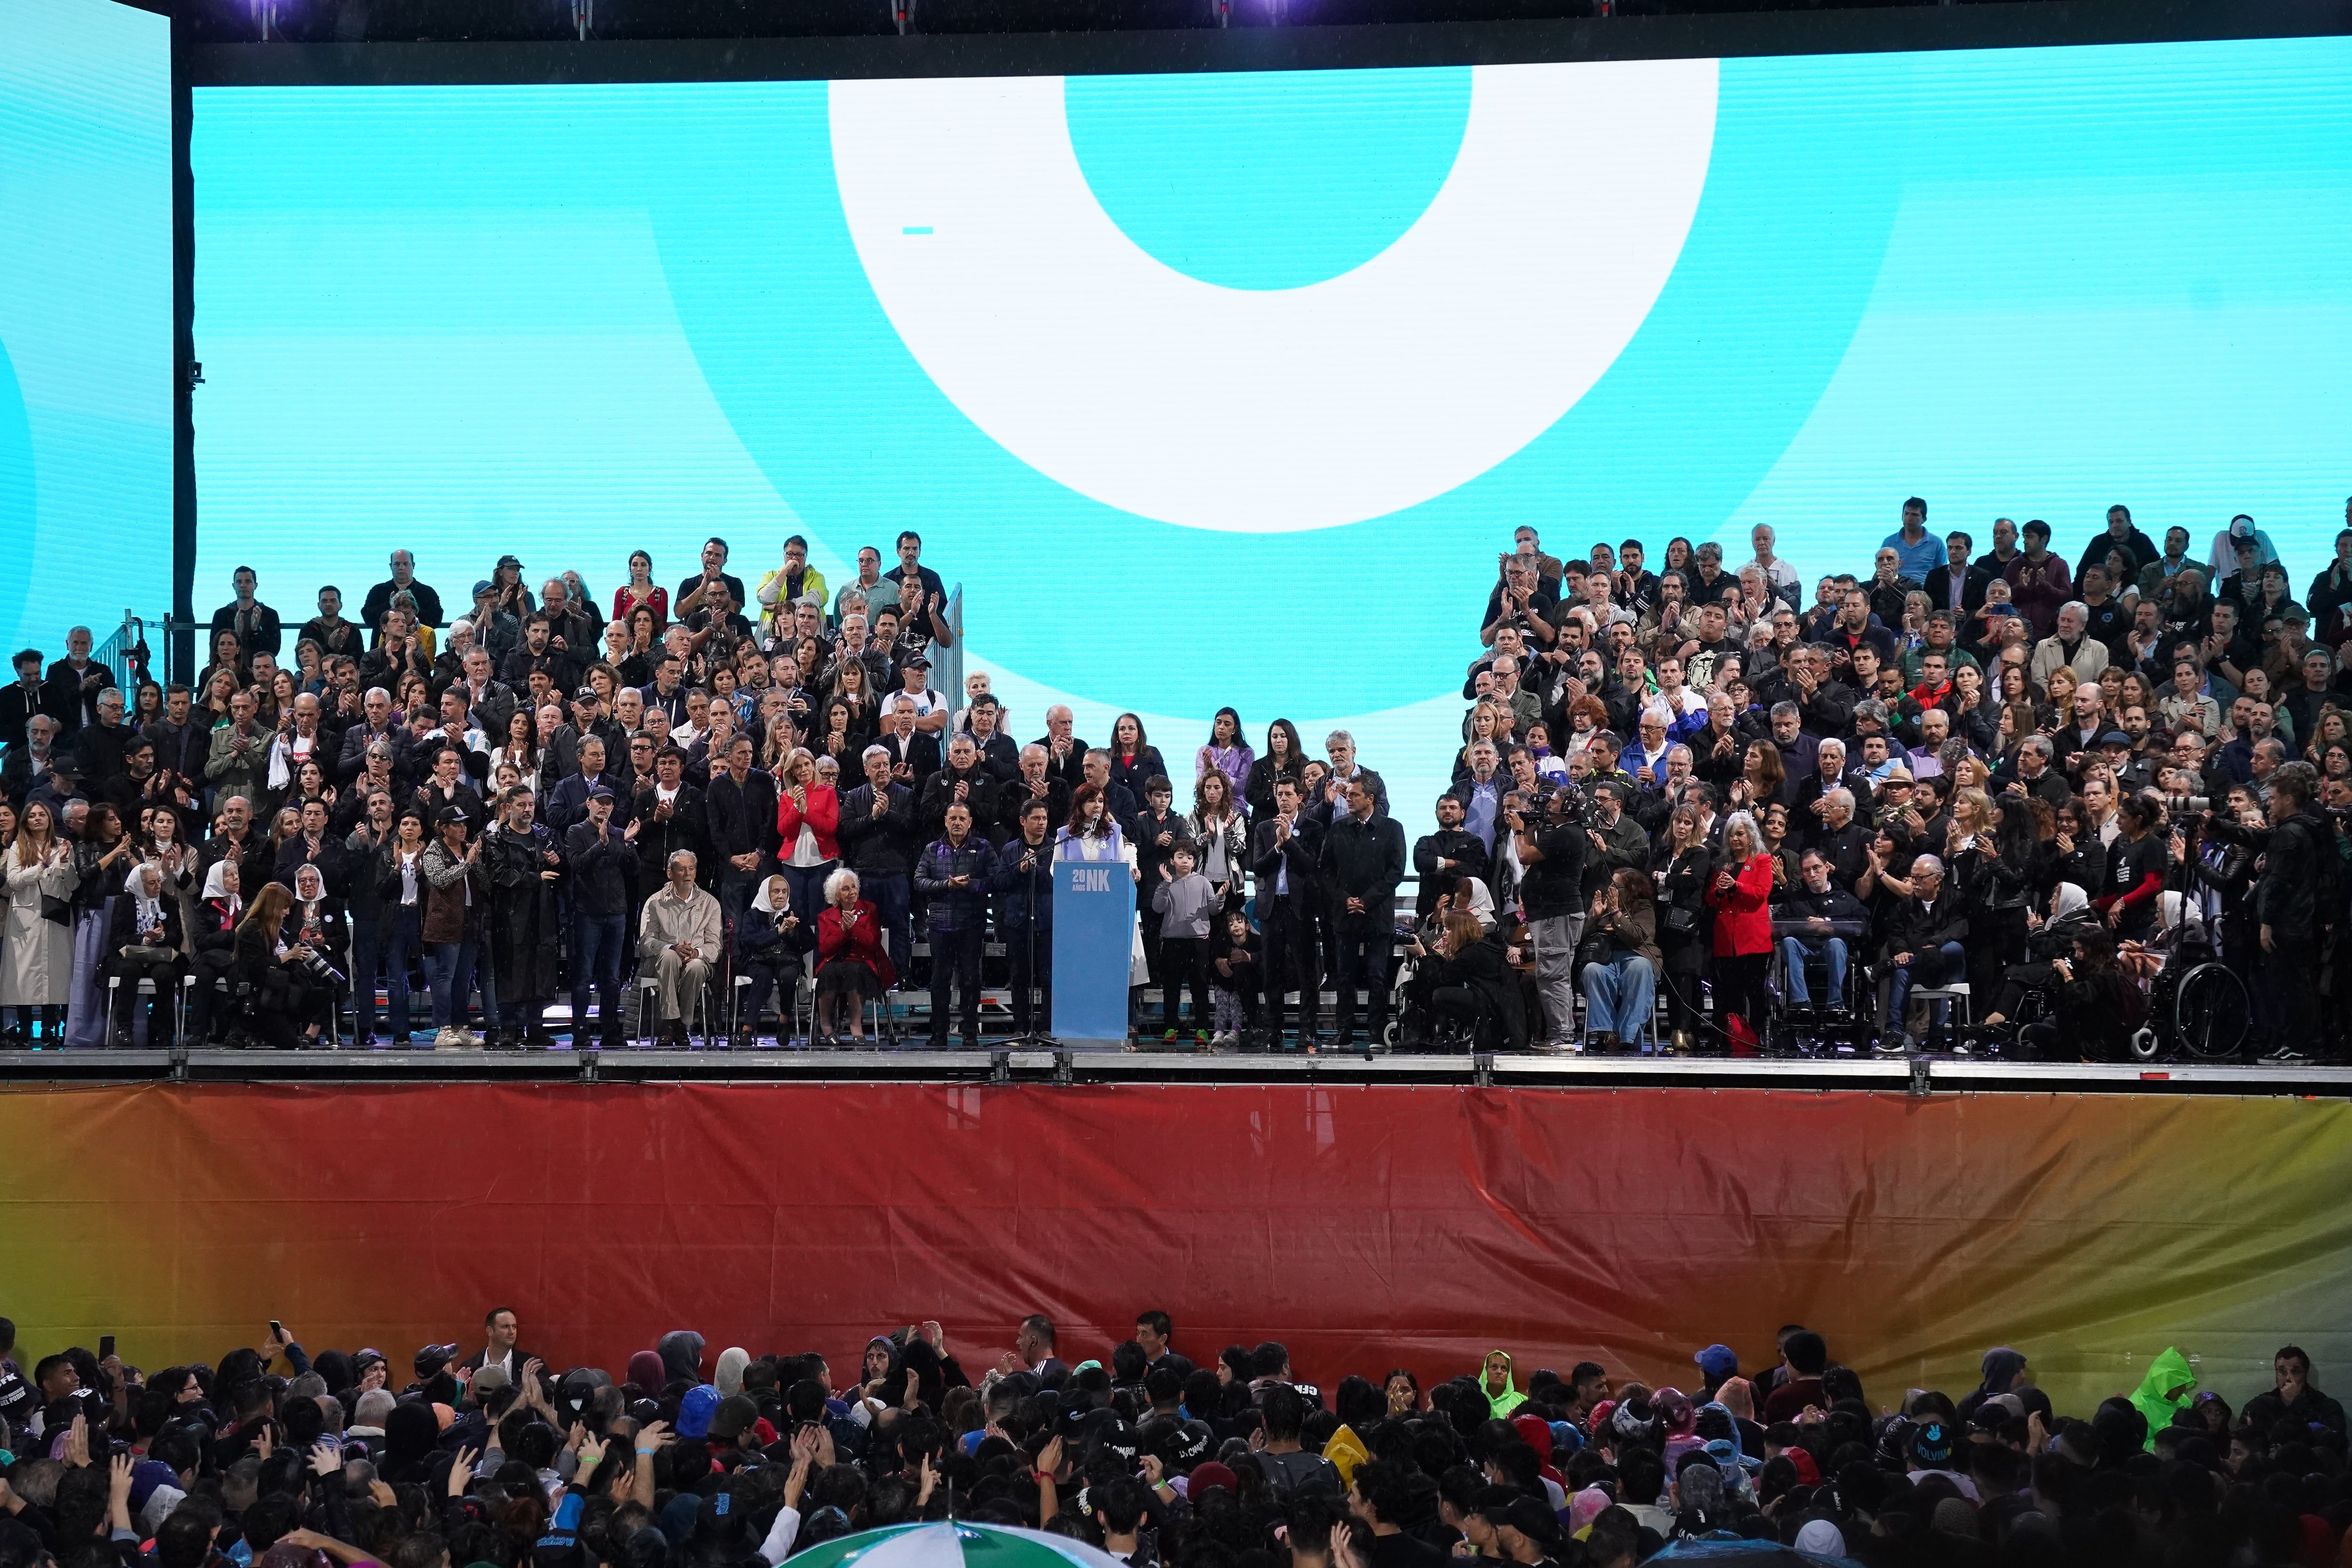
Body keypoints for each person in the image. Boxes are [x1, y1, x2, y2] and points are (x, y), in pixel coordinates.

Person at [914, 801, 993, 1048]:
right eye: (953, 819)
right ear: (945, 822)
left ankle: (970, 1033)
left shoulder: (983, 848)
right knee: (939, 981)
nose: (957, 823)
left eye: (962, 819)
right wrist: (945, 886)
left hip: (972, 925)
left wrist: (971, 885)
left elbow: (996, 880)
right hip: (940, 926)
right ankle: (939, 1034)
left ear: (970, 822)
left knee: (971, 980)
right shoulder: (932, 849)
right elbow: (919, 882)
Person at [2, 800, 78, 1043]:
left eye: (42, 814)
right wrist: (42, 865)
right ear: (26, 820)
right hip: (26, 917)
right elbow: (14, 881)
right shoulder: (18, 847)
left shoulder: (63, 846)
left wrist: (64, 863)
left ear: (49, 819)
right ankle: (24, 1028)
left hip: (55, 915)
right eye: (33, 815)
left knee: (54, 972)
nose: (38, 819)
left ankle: (49, 1029)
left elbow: (73, 884)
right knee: (24, 974)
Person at [1703, 810, 1774, 1050]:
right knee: (1727, 994)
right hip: (1725, 938)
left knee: (1755, 992)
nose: (1735, 839)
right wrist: (1721, 891)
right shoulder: (1724, 864)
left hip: (1753, 939)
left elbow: (1759, 895)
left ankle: (1756, 1038)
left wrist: (1736, 885)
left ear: (1751, 837)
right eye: (1732, 835)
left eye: (1740, 834)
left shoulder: (1762, 861)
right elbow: (1711, 899)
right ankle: (1730, 1039)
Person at [638, 849, 722, 1047]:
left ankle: (681, 1025)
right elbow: (646, 942)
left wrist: (697, 953)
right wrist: (672, 947)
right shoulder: (655, 902)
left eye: (691, 869)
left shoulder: (710, 903)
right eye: (682, 869)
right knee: (669, 958)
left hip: (698, 961)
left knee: (695, 967)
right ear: (670, 874)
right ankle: (670, 1025)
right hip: (662, 961)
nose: (687, 874)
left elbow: (715, 946)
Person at [1579, 868, 1659, 1053]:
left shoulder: (1644, 908)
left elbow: (1637, 937)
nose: (1611, 889)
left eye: (1616, 886)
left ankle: (1628, 1037)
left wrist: (1617, 914)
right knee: (1592, 970)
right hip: (1606, 957)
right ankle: (1607, 1034)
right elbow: (1580, 938)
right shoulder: (1604, 907)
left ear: (1631, 888)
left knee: (1640, 969)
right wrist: (1594, 916)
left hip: (1635, 955)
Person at [993, 799, 1055, 1037]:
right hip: (1018, 922)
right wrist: (1019, 871)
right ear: (1023, 821)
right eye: (1036, 819)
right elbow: (999, 883)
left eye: (1044, 819)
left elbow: (1055, 883)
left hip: (1046, 923)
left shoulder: (1055, 848)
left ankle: (1047, 1028)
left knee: (1048, 979)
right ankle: (1021, 1027)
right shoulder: (1010, 850)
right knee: (1019, 978)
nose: (1041, 823)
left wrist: (1036, 870)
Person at [106, 860, 185, 1046]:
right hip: (130, 956)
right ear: (139, 885)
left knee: (165, 974)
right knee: (129, 971)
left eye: (158, 881)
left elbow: (177, 938)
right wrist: (144, 940)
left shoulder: (169, 901)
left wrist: (162, 936)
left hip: (159, 956)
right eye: (152, 883)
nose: (158, 886)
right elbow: (116, 939)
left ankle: (161, 1029)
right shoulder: (123, 903)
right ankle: (124, 1028)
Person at [814, 866, 892, 1043]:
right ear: (837, 895)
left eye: (854, 887)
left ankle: (856, 1026)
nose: (852, 892)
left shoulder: (870, 910)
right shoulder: (825, 916)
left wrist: (853, 929)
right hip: (834, 960)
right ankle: (826, 1026)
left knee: (854, 971)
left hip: (862, 962)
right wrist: (843, 931)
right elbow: (825, 949)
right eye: (846, 889)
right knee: (828, 972)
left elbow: (873, 942)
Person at [734, 873, 811, 1047]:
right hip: (759, 962)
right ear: (765, 893)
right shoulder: (752, 915)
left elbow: (810, 942)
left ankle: (784, 1020)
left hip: (786, 961)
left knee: (789, 975)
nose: (781, 895)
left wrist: (792, 933)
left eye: (784, 891)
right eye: (776, 891)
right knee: (764, 977)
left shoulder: (793, 913)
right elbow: (747, 941)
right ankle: (747, 1027)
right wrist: (777, 933)